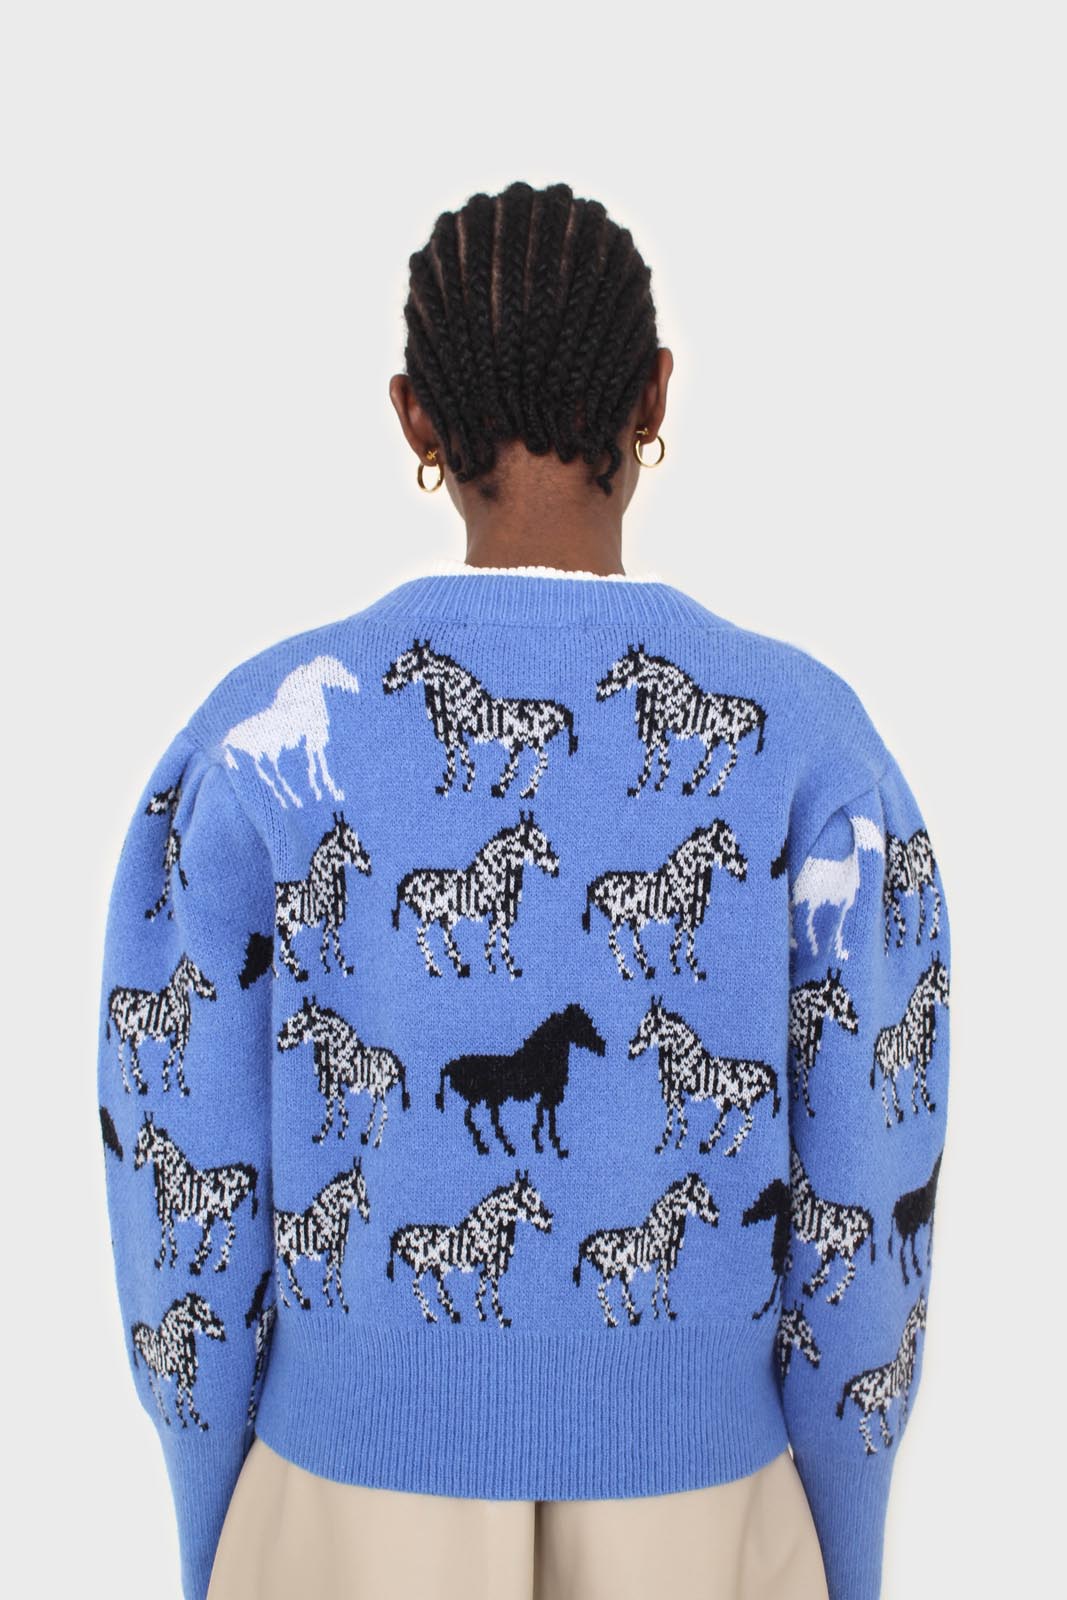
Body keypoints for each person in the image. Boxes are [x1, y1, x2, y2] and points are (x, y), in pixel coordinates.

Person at [96, 180, 951, 1600]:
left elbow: (172, 1148)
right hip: (705, 1513)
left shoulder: (250, 744)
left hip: (342, 1508)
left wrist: (221, 1520)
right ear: (655, 392)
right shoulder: (814, 744)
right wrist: (838, 1538)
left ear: (414, 420)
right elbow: (874, 1176)